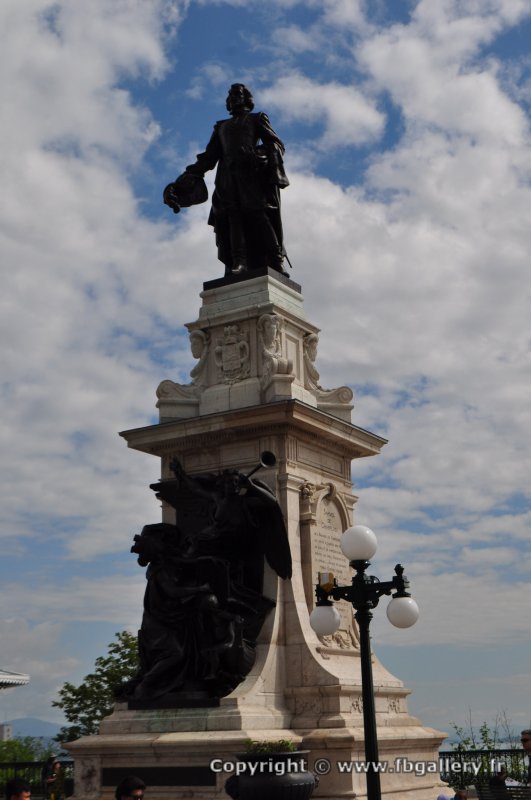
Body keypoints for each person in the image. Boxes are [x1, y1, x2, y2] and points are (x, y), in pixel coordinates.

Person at [165, 84, 290, 278]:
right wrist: (183, 180)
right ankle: (239, 262)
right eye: (230, 96)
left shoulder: (257, 119)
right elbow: (208, 157)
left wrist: (260, 154)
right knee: (233, 219)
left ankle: (275, 259)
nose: (232, 99)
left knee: (259, 215)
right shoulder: (221, 127)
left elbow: (275, 144)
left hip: (250, 176)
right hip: (227, 179)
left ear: (247, 99)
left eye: (237, 95)